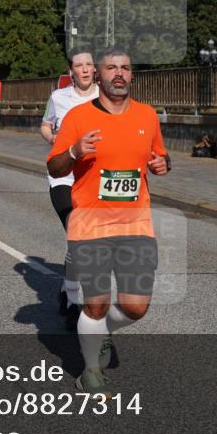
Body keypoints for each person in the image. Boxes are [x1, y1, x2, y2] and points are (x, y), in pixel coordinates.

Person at [47, 48, 170, 394]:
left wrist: (162, 165)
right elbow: (53, 166)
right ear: (98, 76)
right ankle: (90, 371)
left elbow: (160, 155)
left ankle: (101, 333)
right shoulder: (78, 117)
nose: (119, 73)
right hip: (90, 223)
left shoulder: (147, 115)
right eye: (111, 68)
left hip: (136, 225)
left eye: (125, 68)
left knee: (136, 307)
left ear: (131, 75)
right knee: (96, 303)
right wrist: (74, 151)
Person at [39, 49, 97, 330]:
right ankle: (74, 302)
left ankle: (66, 287)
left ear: (95, 69)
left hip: (93, 178)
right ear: (71, 70)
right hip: (63, 177)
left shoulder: (106, 99)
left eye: (89, 65)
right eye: (79, 65)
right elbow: (45, 125)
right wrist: (56, 141)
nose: (84, 69)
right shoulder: (59, 97)